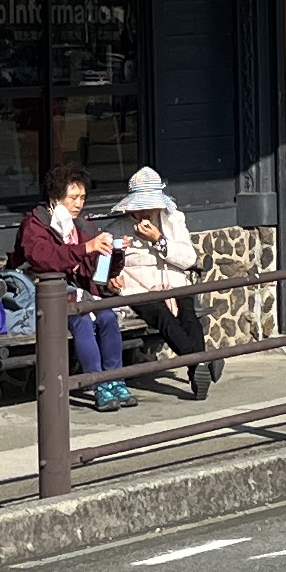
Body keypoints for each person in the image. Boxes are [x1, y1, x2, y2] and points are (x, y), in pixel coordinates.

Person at [9, 166, 134, 410]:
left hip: (81, 294)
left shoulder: (83, 227)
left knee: (108, 317)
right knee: (81, 321)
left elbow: (99, 272)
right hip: (42, 297)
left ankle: (115, 379)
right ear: (55, 197)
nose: (79, 204)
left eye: (83, 197)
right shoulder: (34, 224)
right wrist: (85, 248)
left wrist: (115, 253)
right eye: (73, 197)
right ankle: (97, 383)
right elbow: (43, 259)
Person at [109, 166, 221, 398]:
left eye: (151, 206)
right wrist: (113, 278)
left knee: (189, 317)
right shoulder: (116, 230)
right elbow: (105, 268)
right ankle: (202, 361)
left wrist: (159, 240)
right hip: (141, 290)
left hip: (176, 284)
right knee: (163, 317)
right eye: (141, 207)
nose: (147, 212)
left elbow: (188, 259)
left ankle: (197, 367)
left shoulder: (174, 221)